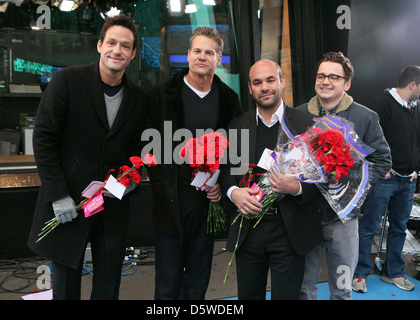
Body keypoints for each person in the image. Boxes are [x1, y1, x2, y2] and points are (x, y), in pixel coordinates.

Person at [27, 14, 146, 300]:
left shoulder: (138, 97)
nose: (117, 50)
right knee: (66, 284)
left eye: (125, 46)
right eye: (112, 43)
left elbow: (137, 150)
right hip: (68, 203)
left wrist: (132, 179)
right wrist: (57, 195)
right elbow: (44, 139)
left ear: (131, 55)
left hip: (112, 206)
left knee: (108, 282)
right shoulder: (68, 80)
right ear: (99, 45)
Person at [145, 26, 242, 300]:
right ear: (188, 55)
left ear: (218, 59)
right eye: (197, 51)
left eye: (209, 52)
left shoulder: (229, 100)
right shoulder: (161, 95)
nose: (202, 57)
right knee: (168, 279)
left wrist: (223, 186)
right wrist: (161, 185)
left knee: (198, 278)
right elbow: (148, 148)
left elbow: (236, 152)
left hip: (207, 204)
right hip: (171, 201)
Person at [221, 59, 323, 300]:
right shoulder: (237, 126)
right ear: (249, 88)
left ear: (282, 81)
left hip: (290, 231)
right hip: (248, 230)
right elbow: (226, 171)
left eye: (270, 80)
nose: (264, 87)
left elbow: (321, 180)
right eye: (257, 82)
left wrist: (296, 188)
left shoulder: (306, 125)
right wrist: (233, 192)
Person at [297, 51, 392, 300]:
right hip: (306, 214)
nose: (325, 81)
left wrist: (355, 187)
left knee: (341, 287)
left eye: (333, 77)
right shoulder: (297, 115)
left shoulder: (365, 117)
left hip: (343, 218)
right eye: (321, 76)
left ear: (346, 83)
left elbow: (383, 160)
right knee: (303, 286)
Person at [353, 65, 420, 293]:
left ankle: (394, 273)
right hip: (384, 179)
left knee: (400, 228)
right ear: (413, 85)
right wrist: (380, 166)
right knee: (369, 226)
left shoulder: (415, 107)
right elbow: (364, 136)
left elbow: (416, 140)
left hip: (407, 180)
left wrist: (416, 169)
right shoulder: (383, 103)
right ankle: (359, 274)